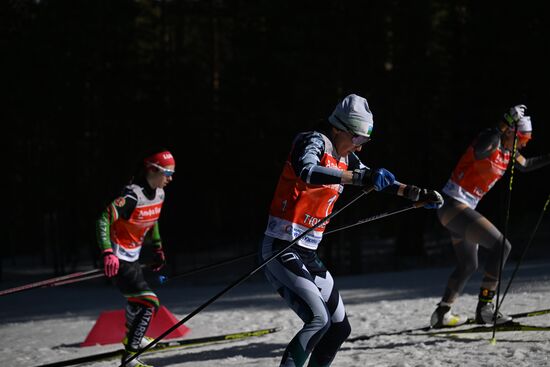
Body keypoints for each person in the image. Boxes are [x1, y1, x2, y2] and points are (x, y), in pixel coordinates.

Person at [260, 94, 444, 367]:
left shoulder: (345, 156)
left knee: (338, 328)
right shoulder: (313, 140)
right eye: (357, 139)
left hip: (308, 253)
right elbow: (307, 171)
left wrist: (416, 193)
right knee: (318, 320)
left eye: (364, 142)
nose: (359, 148)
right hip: (282, 247)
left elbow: (378, 179)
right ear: (338, 128)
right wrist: (359, 177)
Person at [430, 105, 550, 328]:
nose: (525, 143)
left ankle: (441, 314)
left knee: (468, 264)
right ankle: (486, 308)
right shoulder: (491, 140)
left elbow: (527, 165)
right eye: (523, 137)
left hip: (460, 209)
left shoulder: (509, 151)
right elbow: (481, 148)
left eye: (528, 139)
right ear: (510, 133)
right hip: (453, 205)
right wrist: (505, 121)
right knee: (501, 246)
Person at [96, 149, 175, 367]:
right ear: (152, 170)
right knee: (149, 302)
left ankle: (134, 338)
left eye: (172, 173)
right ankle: (130, 356)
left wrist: (157, 249)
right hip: (118, 257)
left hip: (133, 257)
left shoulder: (159, 193)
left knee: (137, 300)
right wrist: (107, 253)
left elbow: (154, 219)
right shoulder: (131, 196)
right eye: (167, 172)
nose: (170, 178)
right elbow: (103, 219)